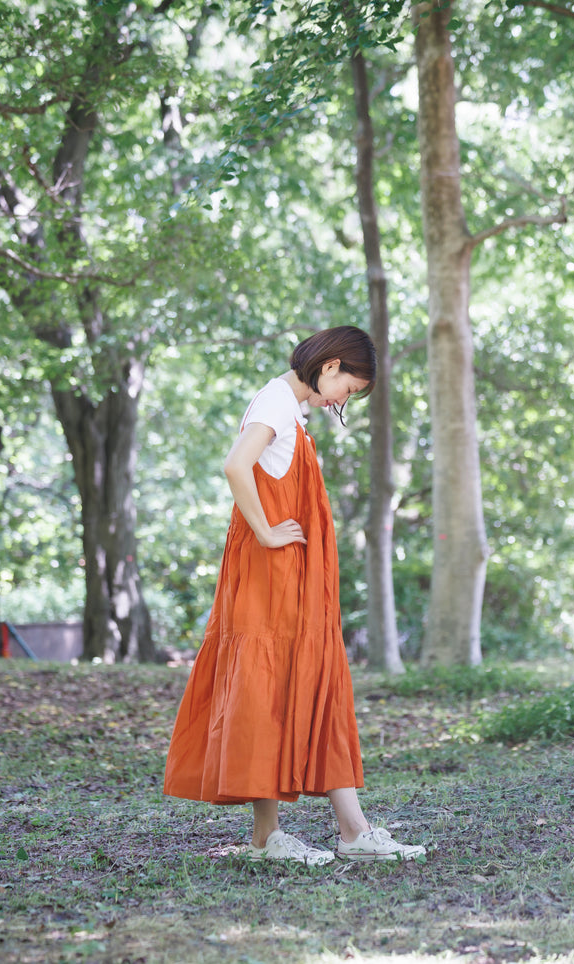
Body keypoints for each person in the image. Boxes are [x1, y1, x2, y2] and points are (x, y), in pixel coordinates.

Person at [163, 326, 427, 865]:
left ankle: (333, 832)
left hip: (290, 579)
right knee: (268, 686)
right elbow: (237, 464)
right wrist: (264, 531)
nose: (344, 400)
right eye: (350, 389)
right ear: (329, 367)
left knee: (304, 680)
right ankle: (281, 837)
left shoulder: (291, 408)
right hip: (269, 577)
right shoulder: (276, 402)